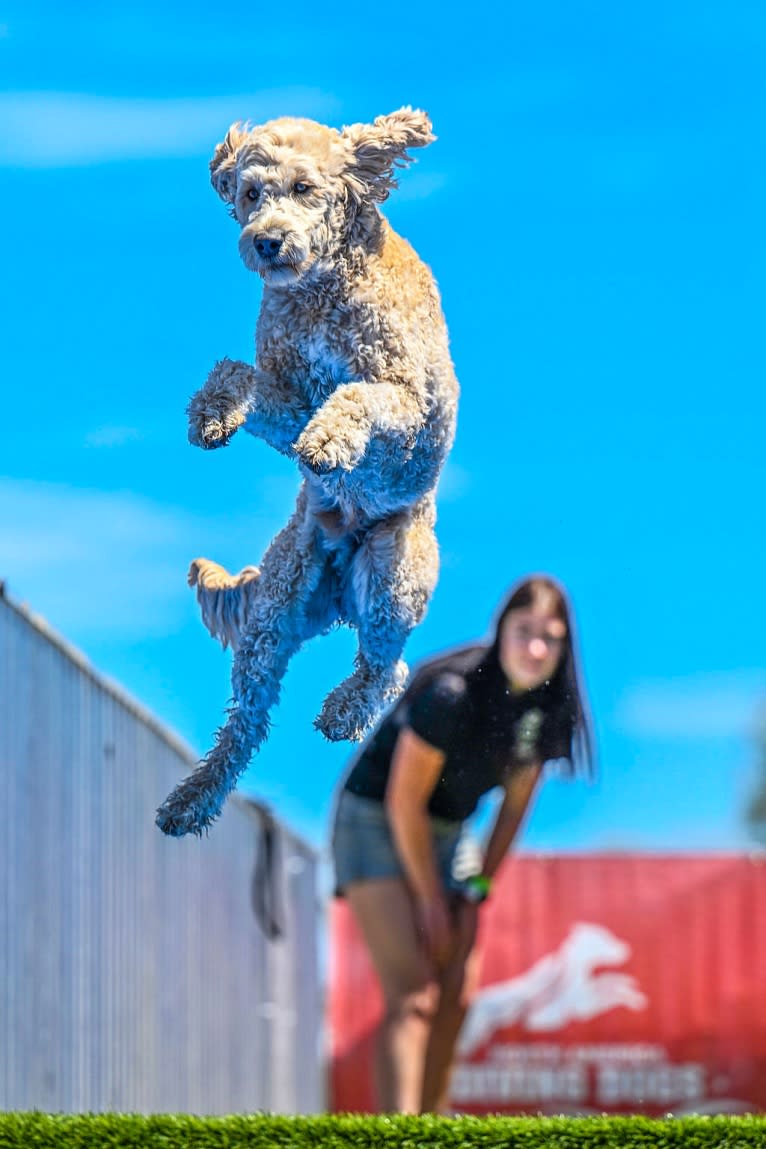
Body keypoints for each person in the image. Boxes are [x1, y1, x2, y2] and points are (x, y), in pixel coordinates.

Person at [330, 574, 594, 1114]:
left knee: (456, 991)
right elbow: (404, 804)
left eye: (551, 636)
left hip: (454, 833)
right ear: (501, 631)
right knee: (414, 994)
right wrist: (431, 901)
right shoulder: (452, 694)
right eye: (524, 631)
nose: (536, 648)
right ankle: (400, 1130)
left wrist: (476, 891)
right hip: (376, 820)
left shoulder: (545, 712)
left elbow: (513, 810)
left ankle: (433, 1121)